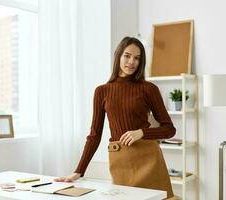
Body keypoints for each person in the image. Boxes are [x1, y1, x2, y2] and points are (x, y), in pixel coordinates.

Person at [55, 36, 176, 199]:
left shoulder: (149, 89)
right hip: (120, 159)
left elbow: (169, 129)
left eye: (137, 58)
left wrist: (141, 133)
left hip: (149, 157)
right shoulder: (102, 91)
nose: (131, 62)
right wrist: (79, 171)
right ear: (118, 56)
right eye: (127, 56)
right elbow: (94, 135)